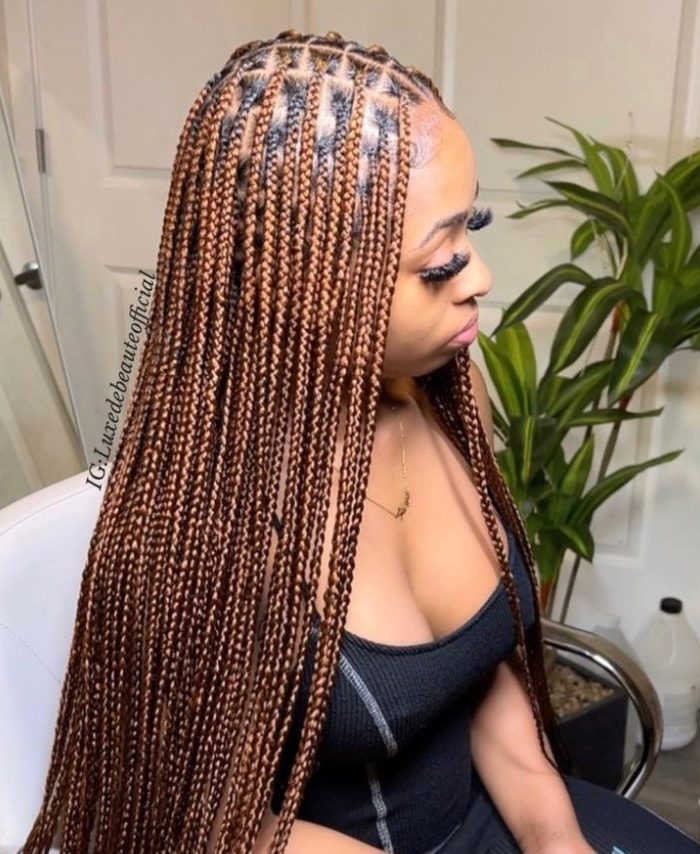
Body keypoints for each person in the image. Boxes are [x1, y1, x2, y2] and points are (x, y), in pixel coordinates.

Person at [21, 29, 700, 854]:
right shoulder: (204, 528)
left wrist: (557, 839)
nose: (480, 277)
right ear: (312, 285)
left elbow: (480, 672)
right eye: (440, 263)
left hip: (499, 810)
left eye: (472, 228)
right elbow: (204, 825)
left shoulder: (445, 395)